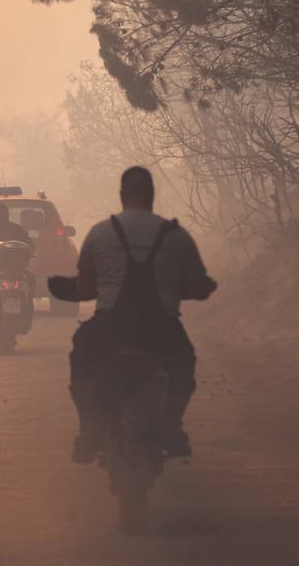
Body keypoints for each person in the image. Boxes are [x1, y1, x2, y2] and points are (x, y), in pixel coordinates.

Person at [49, 166, 216, 463]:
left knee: (82, 362)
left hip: (110, 328)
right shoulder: (175, 235)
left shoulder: (101, 233)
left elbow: (85, 289)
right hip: (160, 329)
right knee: (183, 366)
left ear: (121, 196)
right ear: (152, 195)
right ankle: (171, 426)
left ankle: (90, 429)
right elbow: (197, 285)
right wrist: (196, 288)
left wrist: (62, 288)